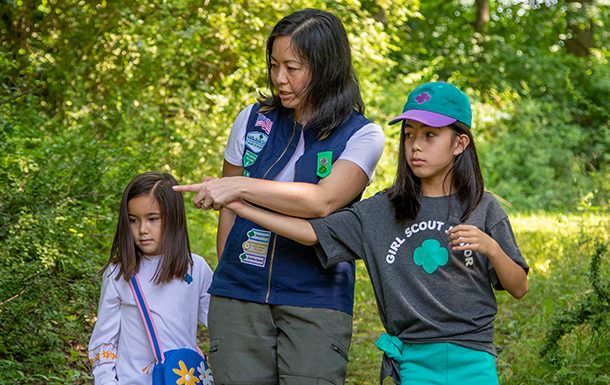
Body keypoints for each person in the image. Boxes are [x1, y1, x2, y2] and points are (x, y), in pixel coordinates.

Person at [222, 82, 529, 385]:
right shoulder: (384, 209)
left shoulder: (483, 207)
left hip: (473, 357)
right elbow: (310, 233)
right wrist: (241, 206)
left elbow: (518, 286)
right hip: (411, 359)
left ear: (460, 143)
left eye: (430, 135)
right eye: (409, 135)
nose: (416, 146)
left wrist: (491, 248)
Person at [174, 8, 385, 385]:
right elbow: (229, 211)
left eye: (293, 67)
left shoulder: (363, 136)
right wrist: (228, 270)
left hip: (316, 297)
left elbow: (322, 202)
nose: (280, 79)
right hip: (239, 294)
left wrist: (238, 187)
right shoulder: (252, 120)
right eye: (274, 65)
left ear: (326, 67)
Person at [88, 172, 214, 385]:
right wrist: (107, 381)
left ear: (174, 217)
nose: (142, 230)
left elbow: (220, 325)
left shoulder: (195, 267)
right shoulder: (119, 272)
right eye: (133, 220)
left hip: (183, 379)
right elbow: (104, 341)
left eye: (153, 219)